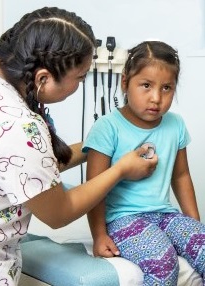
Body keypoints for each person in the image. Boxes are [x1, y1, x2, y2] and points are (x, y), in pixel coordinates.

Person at [0, 7, 158, 286]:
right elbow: (59, 212)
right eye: (79, 78)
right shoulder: (17, 126)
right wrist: (120, 170)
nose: (80, 85)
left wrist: (96, 147)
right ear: (43, 79)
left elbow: (20, 168)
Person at [83, 40, 205, 285]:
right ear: (125, 82)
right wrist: (99, 235)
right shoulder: (107, 127)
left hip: (164, 214)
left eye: (167, 88)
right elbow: (94, 188)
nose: (156, 98)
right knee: (162, 261)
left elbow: (181, 177)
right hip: (122, 218)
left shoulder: (176, 125)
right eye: (146, 85)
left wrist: (194, 226)